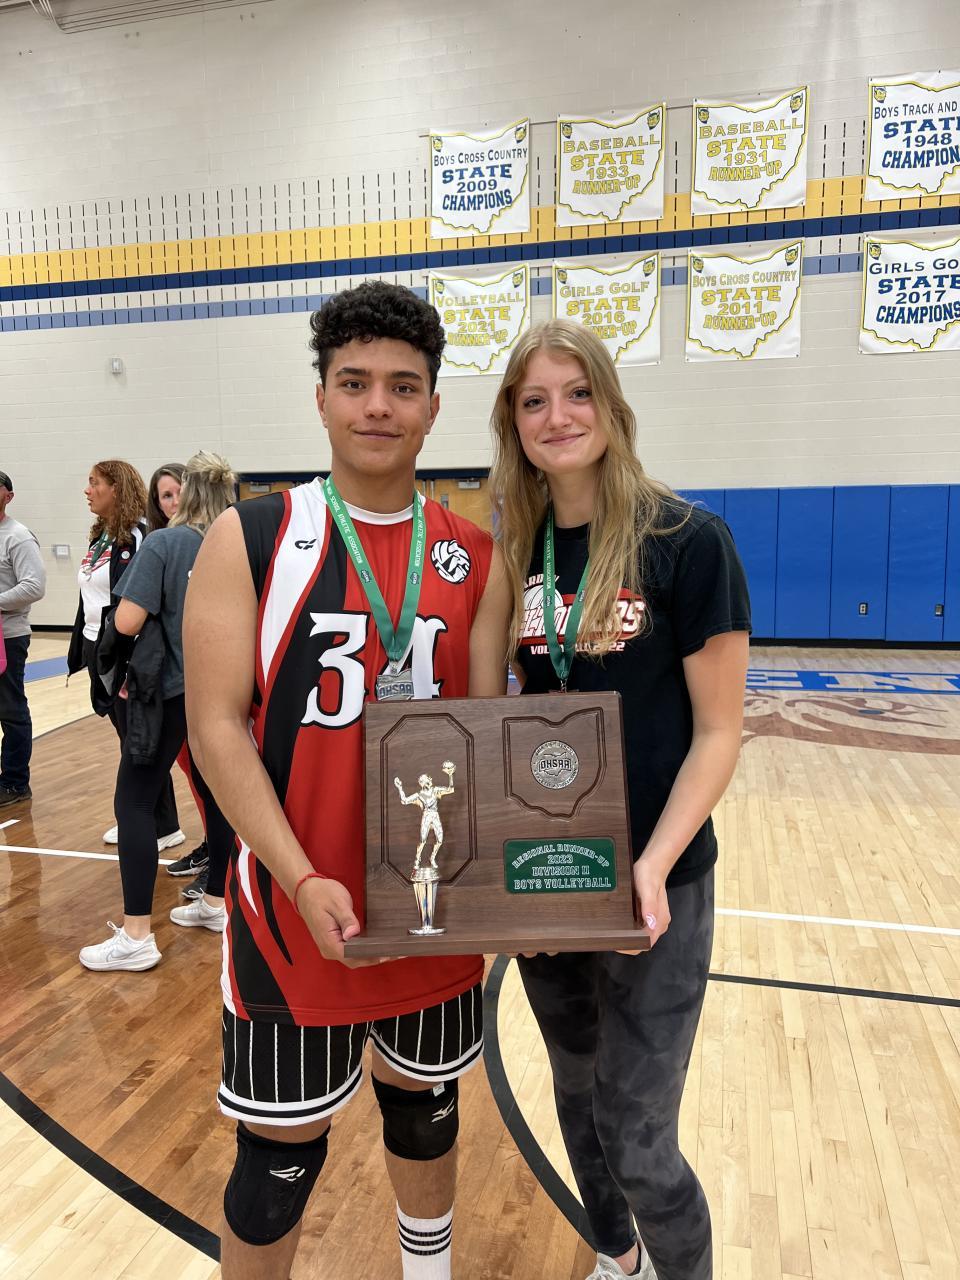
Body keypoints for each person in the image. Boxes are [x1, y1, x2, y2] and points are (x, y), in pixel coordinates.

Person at [183, 281, 511, 1280]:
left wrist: (515, 895)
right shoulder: (251, 536)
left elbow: (486, 743)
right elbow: (214, 728)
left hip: (430, 909)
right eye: (356, 382)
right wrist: (296, 874)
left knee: (427, 1109)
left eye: (403, 386)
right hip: (291, 911)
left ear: (433, 407)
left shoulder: (475, 556)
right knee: (275, 1163)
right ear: (321, 396)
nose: (379, 405)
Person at [489, 319, 751, 1280]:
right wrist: (497, 887)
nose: (557, 416)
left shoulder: (687, 541)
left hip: (657, 885)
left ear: (610, 404)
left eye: (577, 393)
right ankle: (618, 1257)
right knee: (577, 1105)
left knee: (640, 1135)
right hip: (548, 875)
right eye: (534, 400)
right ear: (513, 423)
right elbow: (493, 722)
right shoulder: (512, 553)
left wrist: (650, 864)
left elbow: (718, 733)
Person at [79, 452, 239, 972]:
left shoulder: (164, 543)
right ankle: (215, 902)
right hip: (222, 692)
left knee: (134, 802)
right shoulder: (237, 542)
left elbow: (127, 620)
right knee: (217, 796)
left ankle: (136, 936)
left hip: (167, 691)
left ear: (186, 494)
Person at [66, 460, 185, 851]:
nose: (87, 490)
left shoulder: (139, 536)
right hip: (98, 646)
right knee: (128, 736)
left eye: (94, 482)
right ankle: (148, 818)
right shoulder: (101, 536)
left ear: (116, 488)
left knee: (140, 739)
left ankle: (157, 823)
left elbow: (139, 604)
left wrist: (127, 656)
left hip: (126, 652)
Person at [145, 461, 211, 887]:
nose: (173, 502)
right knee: (192, 771)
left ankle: (225, 860)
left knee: (215, 774)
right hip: (173, 684)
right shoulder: (161, 543)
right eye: (164, 496)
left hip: (208, 681)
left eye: (177, 493)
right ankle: (212, 844)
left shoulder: (214, 541)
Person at [0, 470, 46, 807]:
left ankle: (15, 783)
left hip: (8, 637)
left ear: (8, 496)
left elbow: (34, 586)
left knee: (10, 710)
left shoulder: (18, 536)